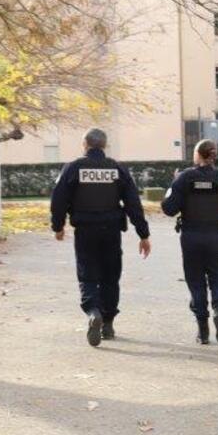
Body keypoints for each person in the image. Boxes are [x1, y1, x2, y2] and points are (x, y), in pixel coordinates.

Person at [49, 127, 151, 347]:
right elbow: (133, 203)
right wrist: (143, 233)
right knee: (110, 278)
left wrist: (58, 226)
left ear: (85, 145)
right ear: (104, 145)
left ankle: (93, 311)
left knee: (88, 276)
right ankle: (108, 323)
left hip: (85, 231)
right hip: (111, 230)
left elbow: (58, 200)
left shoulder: (73, 168)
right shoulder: (117, 169)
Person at [161, 140, 218, 344]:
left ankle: (203, 330)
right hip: (215, 236)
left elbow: (168, 208)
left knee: (195, 281)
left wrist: (174, 183)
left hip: (191, 236)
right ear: (214, 156)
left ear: (198, 155)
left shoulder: (184, 178)